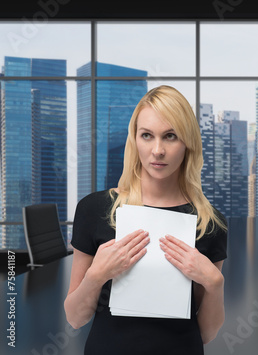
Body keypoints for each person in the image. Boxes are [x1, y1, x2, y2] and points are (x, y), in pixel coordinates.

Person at [64, 85, 227, 355]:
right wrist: (96, 275)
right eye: (147, 136)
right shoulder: (94, 209)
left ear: (187, 143)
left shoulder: (208, 223)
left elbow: (207, 333)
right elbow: (74, 317)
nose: (158, 150)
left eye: (170, 136)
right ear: (134, 140)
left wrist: (214, 283)